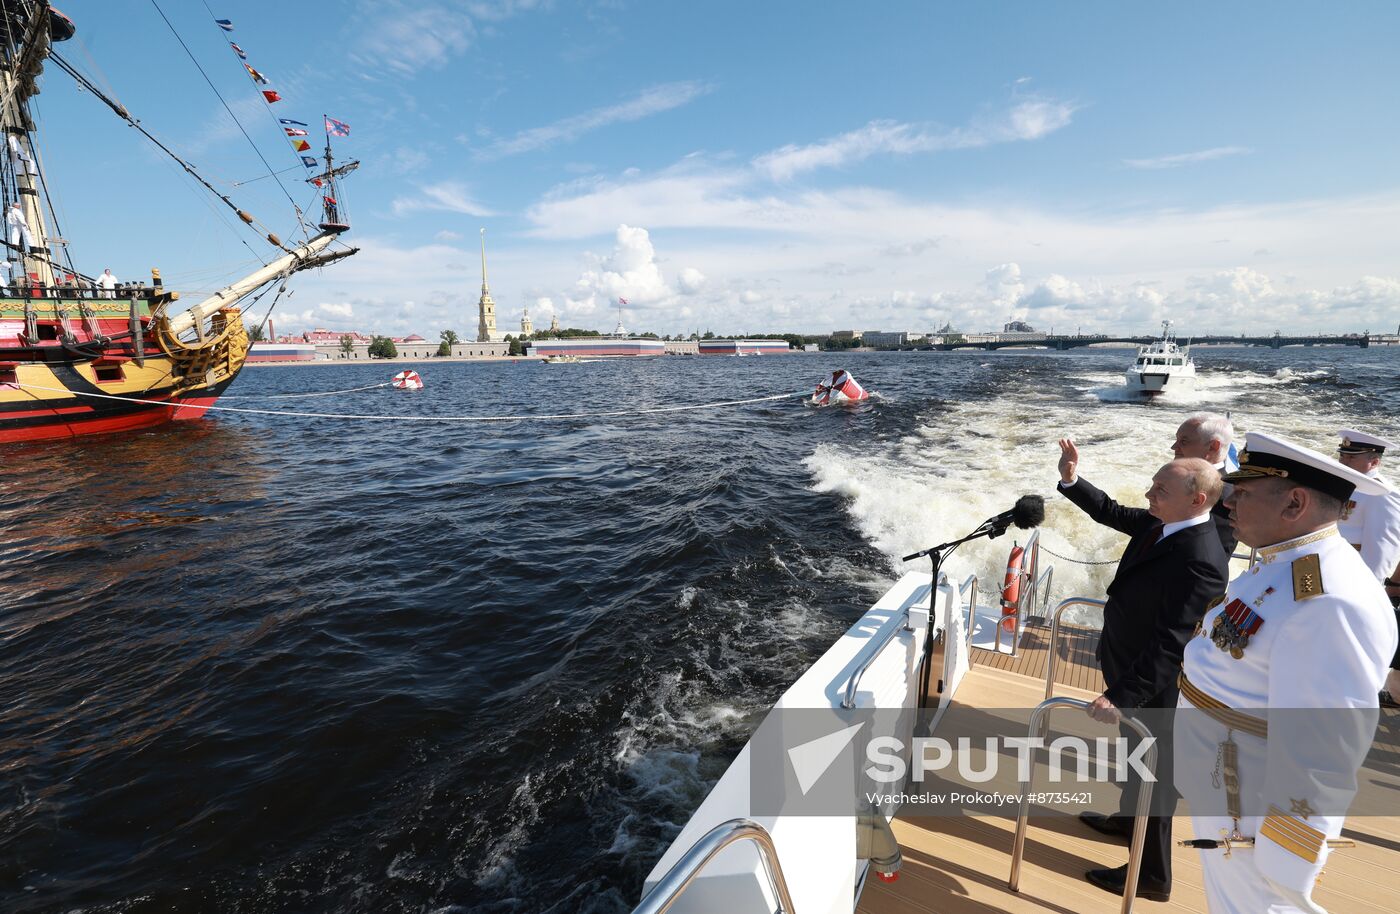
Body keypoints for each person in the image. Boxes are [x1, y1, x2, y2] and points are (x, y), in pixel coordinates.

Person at [1175, 431, 1395, 914]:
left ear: (1295, 503)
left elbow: (1323, 747)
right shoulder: (1287, 565)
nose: (1229, 501)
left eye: (1244, 493)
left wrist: (1287, 853)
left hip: (1251, 808)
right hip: (1228, 783)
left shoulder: (1330, 601)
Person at [1057, 439, 1230, 902]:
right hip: (1129, 664)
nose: (1149, 495)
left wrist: (1122, 695)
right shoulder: (1164, 524)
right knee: (1137, 762)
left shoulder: (1200, 558)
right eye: (1153, 486)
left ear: (1196, 499)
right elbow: (1112, 512)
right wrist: (1072, 479)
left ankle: (1152, 876)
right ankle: (1125, 822)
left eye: (1159, 489)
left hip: (1152, 686)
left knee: (1155, 776)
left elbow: (1172, 642)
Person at [1333, 428, 1400, 705]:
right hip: (1331, 578)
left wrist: (1364, 595)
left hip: (1351, 586)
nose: (1343, 462)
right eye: (1343, 455)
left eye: (1351, 458)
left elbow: (1381, 554)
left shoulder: (1383, 495)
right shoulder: (1344, 487)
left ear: (1373, 462)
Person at [1172, 413, 1239, 555]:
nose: (1174, 447)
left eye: (1183, 442)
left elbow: (1212, 558)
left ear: (1213, 447)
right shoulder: (1185, 480)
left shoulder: (1225, 496)